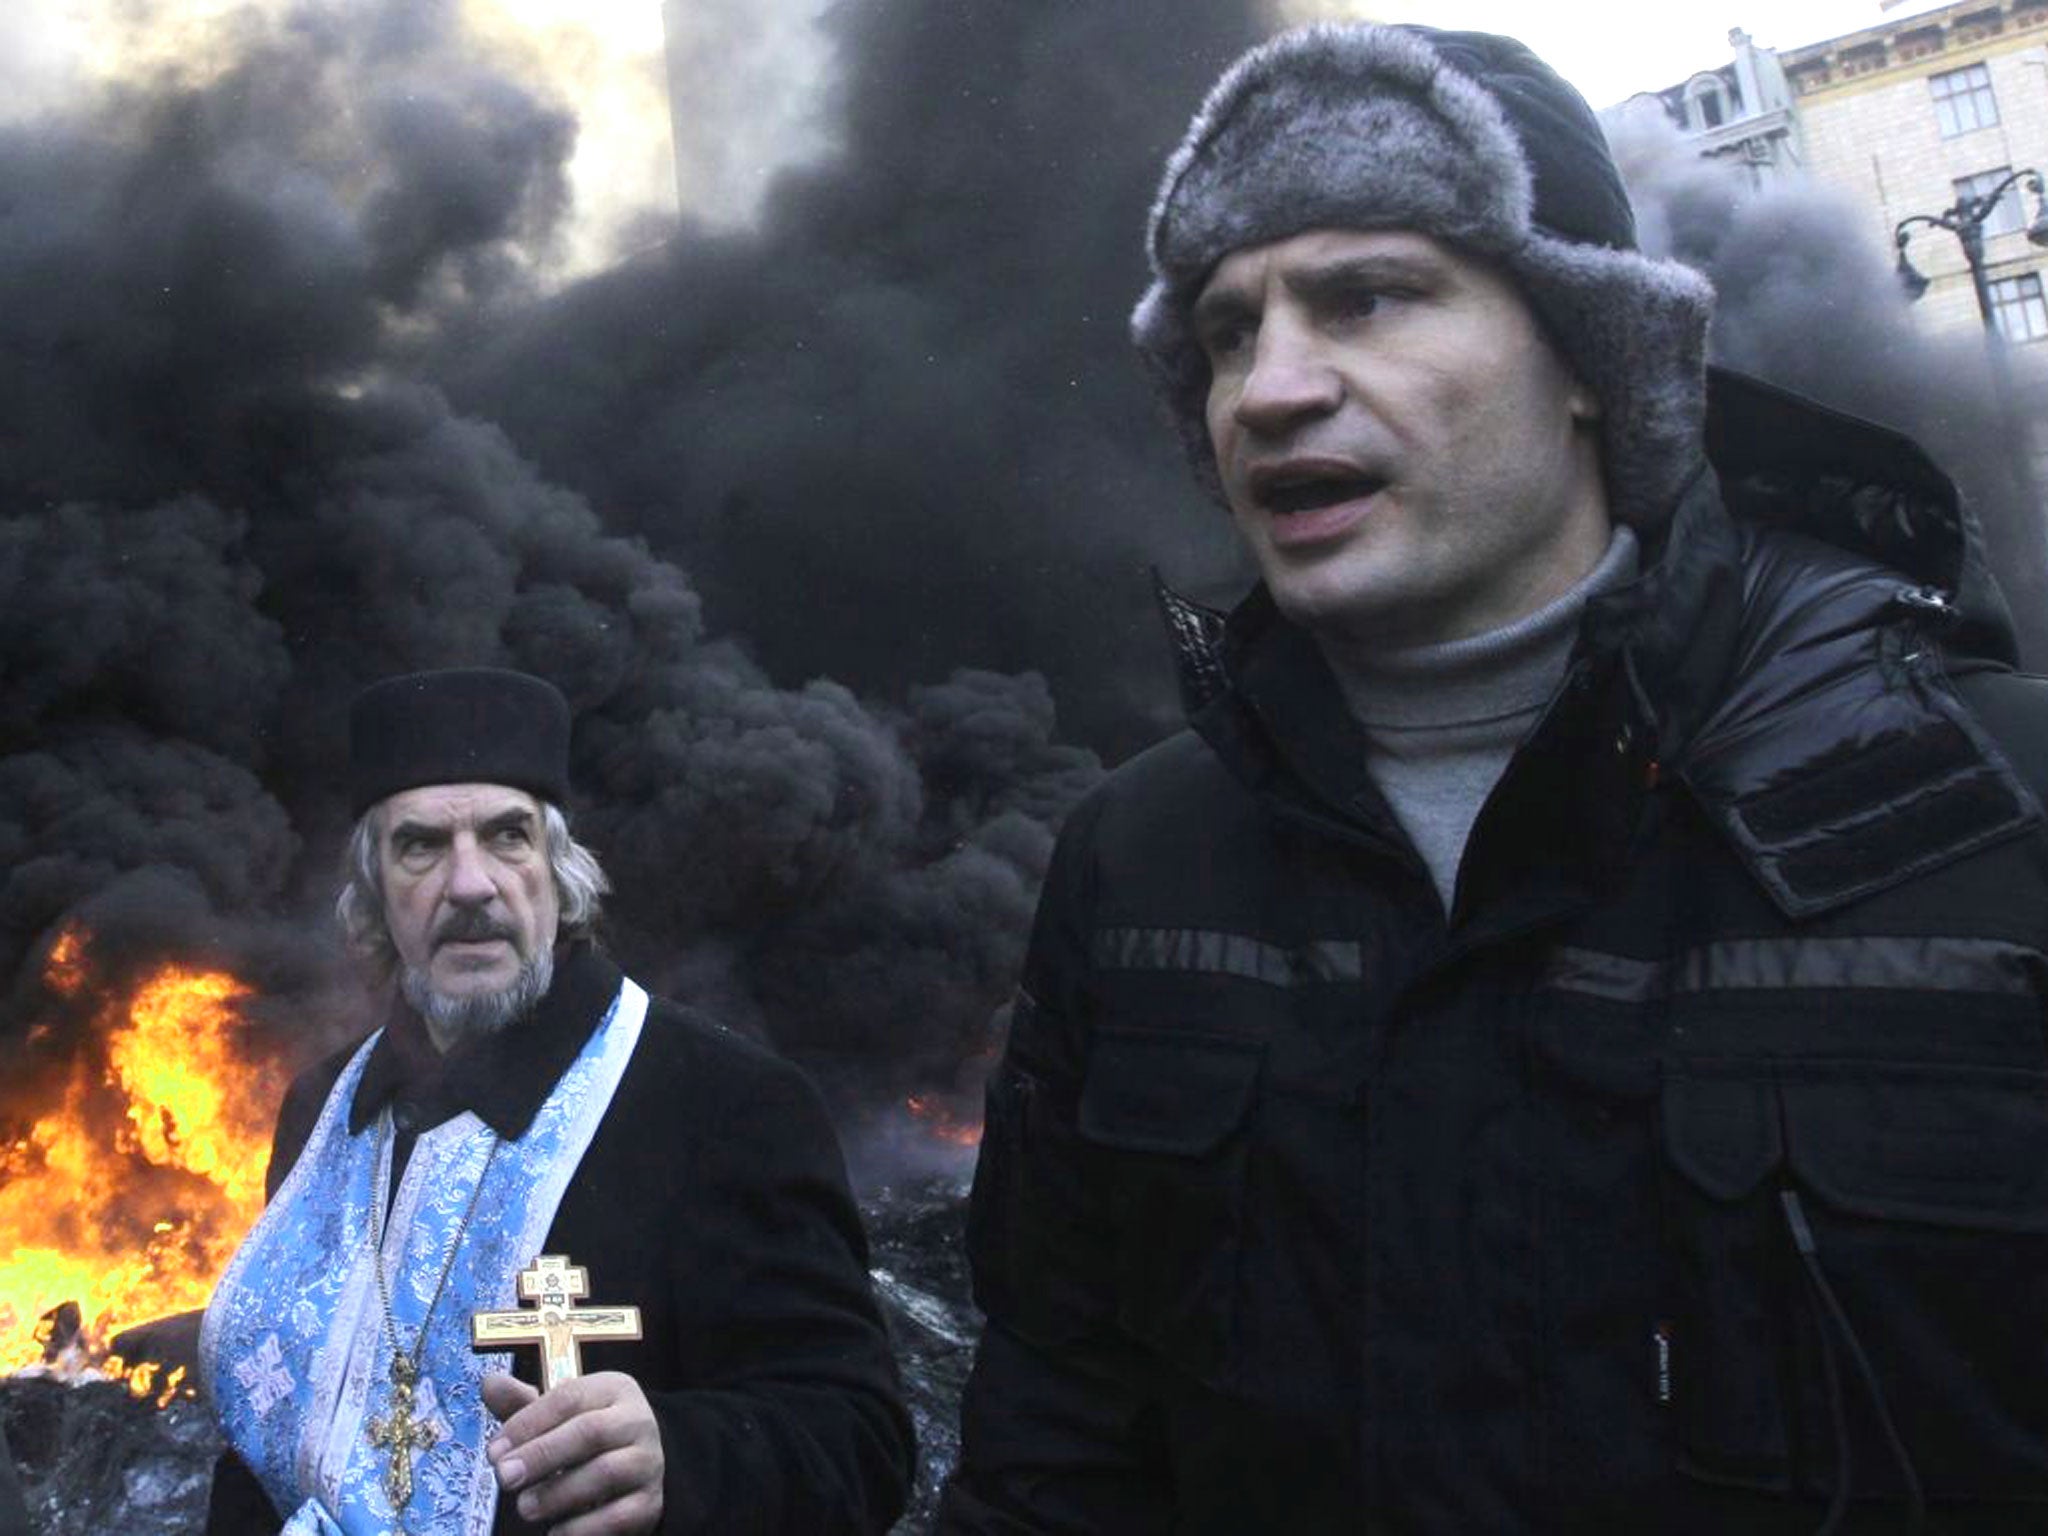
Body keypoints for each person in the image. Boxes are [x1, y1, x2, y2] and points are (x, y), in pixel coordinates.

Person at [939, 22, 2048, 1534]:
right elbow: (1057, 1443)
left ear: (1597, 358)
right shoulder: (1140, 861)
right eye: (1223, 331)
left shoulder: (1995, 808)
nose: (1267, 389)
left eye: (1367, 297)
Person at [200, 667, 913, 1535]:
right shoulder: (320, 1114)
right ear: (375, 893)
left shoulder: (725, 1105)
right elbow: (259, 1450)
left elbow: (861, 1442)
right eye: (420, 845)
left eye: (507, 836)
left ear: (559, 870)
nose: (471, 886)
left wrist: (680, 1457)